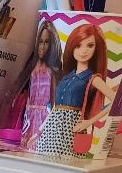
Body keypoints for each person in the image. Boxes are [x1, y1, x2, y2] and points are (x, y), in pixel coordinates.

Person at [36, 23, 114, 157]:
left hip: (71, 127)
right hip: (51, 128)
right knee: (43, 158)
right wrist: (40, 129)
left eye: (90, 45)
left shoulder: (92, 78)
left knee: (66, 161)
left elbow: (115, 100)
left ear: (96, 49)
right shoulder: (67, 77)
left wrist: (89, 122)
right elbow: (55, 108)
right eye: (78, 45)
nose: (83, 51)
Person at [20, 20, 63, 149]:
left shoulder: (52, 71)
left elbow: (55, 104)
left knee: (38, 149)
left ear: (52, 44)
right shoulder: (33, 68)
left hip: (44, 118)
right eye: (40, 42)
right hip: (29, 117)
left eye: (47, 42)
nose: (42, 47)